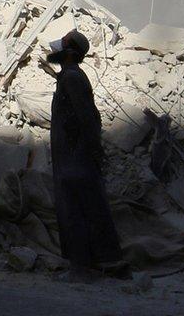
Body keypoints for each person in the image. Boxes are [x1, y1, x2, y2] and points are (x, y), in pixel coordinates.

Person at [46, 29, 124, 276]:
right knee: (82, 208)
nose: (54, 52)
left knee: (76, 210)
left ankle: (85, 266)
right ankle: (92, 263)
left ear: (68, 54)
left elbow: (89, 118)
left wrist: (88, 149)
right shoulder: (69, 76)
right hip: (72, 156)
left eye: (60, 48)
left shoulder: (72, 78)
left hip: (74, 157)